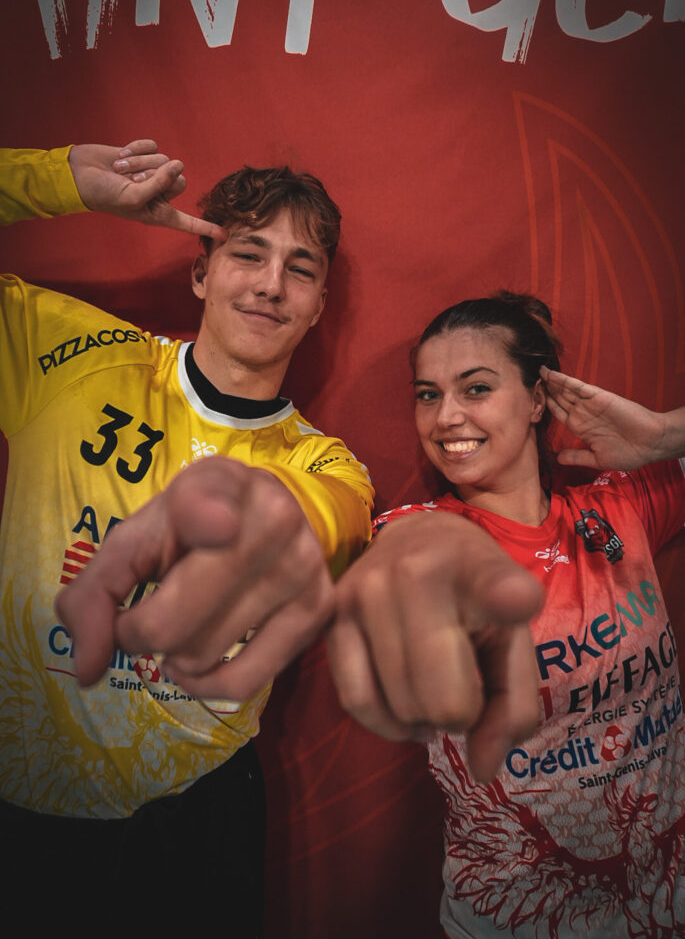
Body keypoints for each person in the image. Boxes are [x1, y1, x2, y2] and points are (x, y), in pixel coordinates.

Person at [0, 140, 374, 924]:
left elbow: (326, 526)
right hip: (23, 811)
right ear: (201, 272)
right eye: (248, 253)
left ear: (318, 305)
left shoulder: (329, 466)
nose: (270, 285)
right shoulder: (72, 359)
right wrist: (58, 181)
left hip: (196, 821)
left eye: (300, 269)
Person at [337, 292, 685, 938]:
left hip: (667, 907)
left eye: (475, 388)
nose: (446, 417)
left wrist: (664, 435)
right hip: (516, 917)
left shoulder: (621, 507)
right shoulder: (423, 534)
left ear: (536, 400)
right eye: (427, 395)